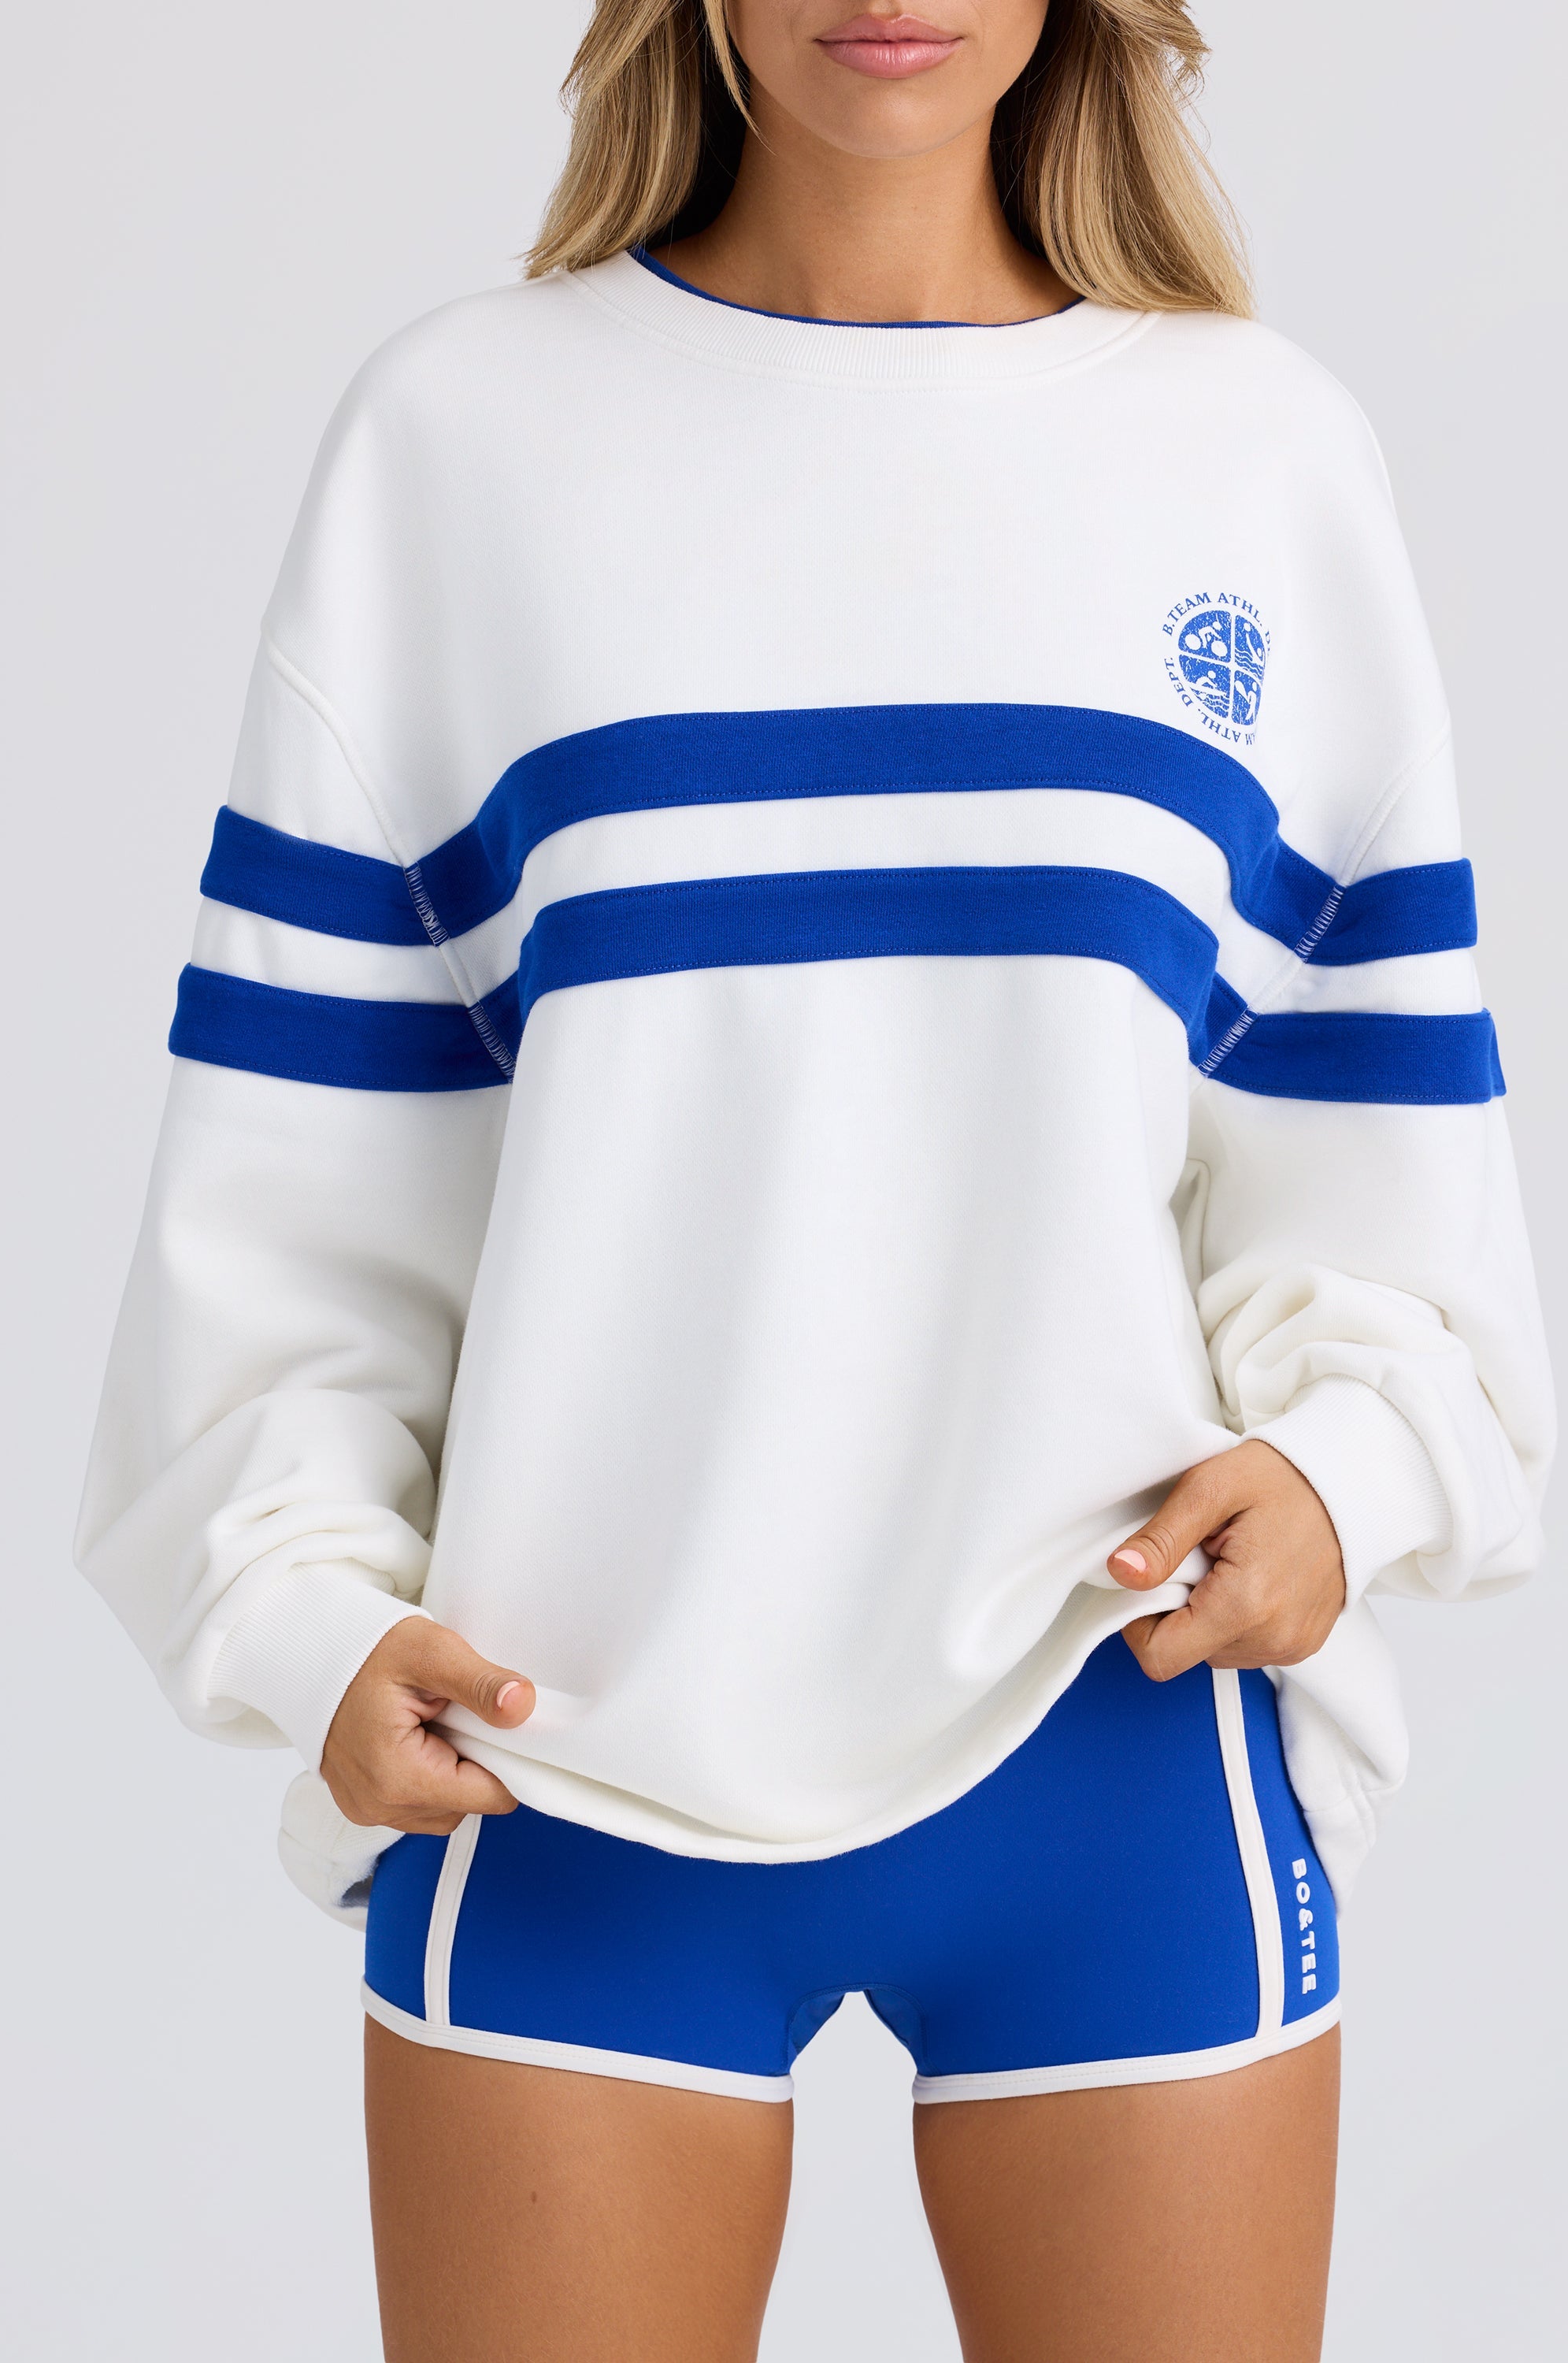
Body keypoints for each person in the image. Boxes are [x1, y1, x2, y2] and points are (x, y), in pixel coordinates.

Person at [76, 5, 1552, 2357]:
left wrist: (1349, 1470)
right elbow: (308, 1142)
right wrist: (302, 1613)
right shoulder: (465, 442)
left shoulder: (1252, 456)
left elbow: (1374, 1122)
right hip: (559, 1744)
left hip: (1117, 1714)